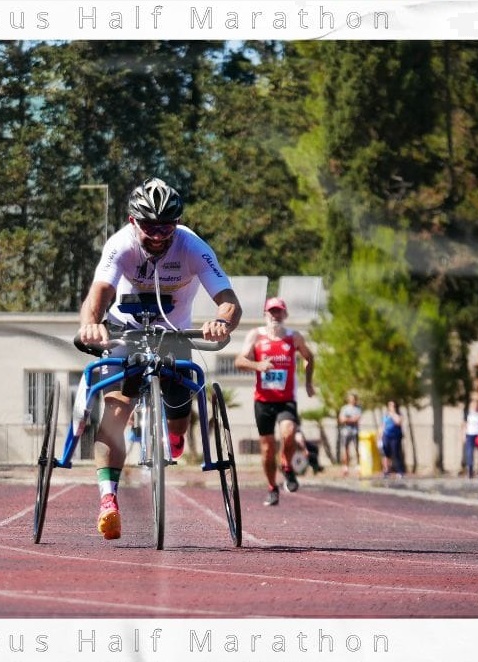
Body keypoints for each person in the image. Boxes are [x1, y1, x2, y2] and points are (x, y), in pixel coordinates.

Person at [77, 177, 241, 540]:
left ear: (177, 224)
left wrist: (220, 322)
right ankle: (108, 500)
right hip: (125, 331)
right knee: (117, 409)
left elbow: (229, 301)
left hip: (174, 334)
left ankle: (174, 437)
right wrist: (91, 325)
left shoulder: (192, 246)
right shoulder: (120, 244)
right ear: (133, 221)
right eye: (149, 226)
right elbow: (99, 292)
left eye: (166, 227)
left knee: (180, 418)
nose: (157, 235)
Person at [235, 296, 316, 506]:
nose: (275, 315)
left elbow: (310, 357)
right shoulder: (256, 336)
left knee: (288, 433)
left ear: (285, 314)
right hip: (263, 401)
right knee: (267, 449)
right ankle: (272, 487)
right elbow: (239, 361)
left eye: (278, 311)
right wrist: (258, 365)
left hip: (286, 399)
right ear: (265, 314)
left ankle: (287, 465)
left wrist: (308, 383)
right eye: (271, 311)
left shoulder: (294, 337)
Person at [337, 392, 363, 476]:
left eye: (353, 399)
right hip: (345, 432)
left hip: (354, 431)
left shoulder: (358, 408)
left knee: (357, 448)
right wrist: (349, 419)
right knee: (345, 449)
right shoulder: (344, 408)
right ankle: (345, 467)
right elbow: (341, 419)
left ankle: (358, 466)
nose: (352, 400)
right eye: (350, 398)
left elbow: (356, 419)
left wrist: (347, 419)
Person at [380, 399, 405, 479]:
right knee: (386, 453)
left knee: (395, 453)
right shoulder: (386, 415)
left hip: (395, 436)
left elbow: (398, 422)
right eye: (390, 406)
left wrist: (393, 414)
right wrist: (380, 435)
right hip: (386, 436)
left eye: (393, 406)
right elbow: (383, 425)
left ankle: (399, 471)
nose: (391, 407)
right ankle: (386, 470)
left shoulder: (398, 415)